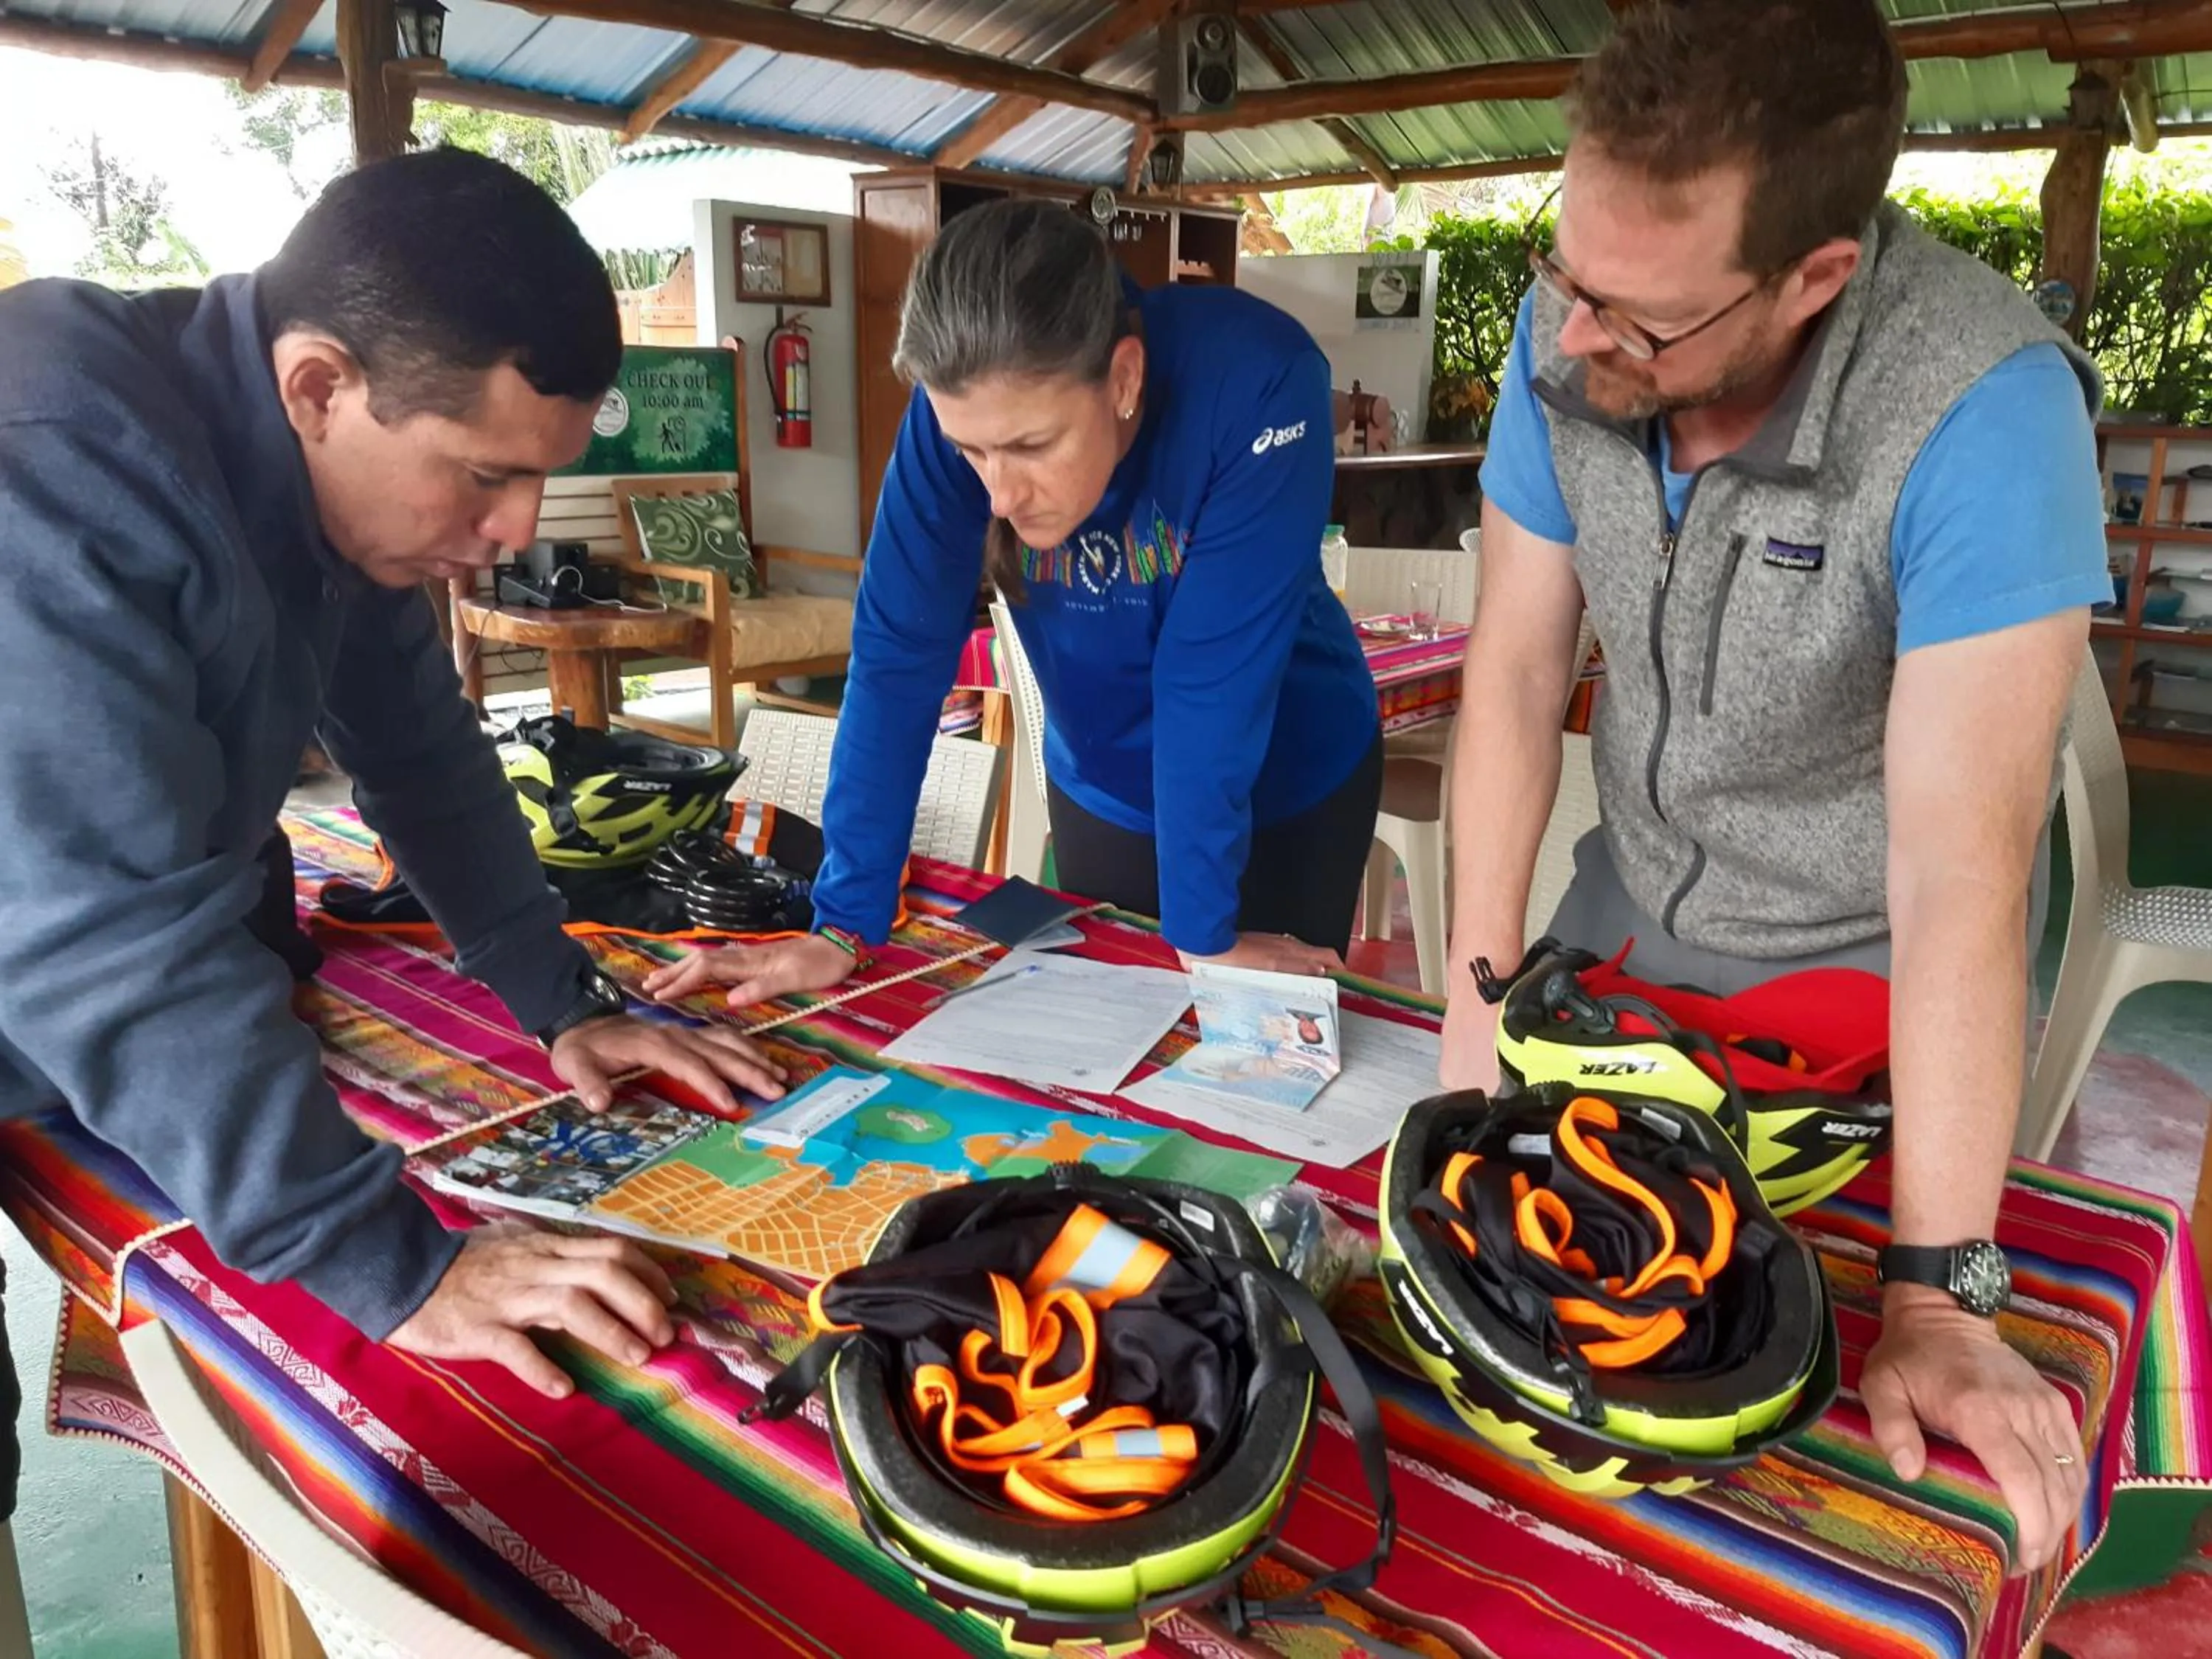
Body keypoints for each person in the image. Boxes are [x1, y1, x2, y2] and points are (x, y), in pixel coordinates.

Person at [0, 146, 792, 1512]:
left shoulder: (320, 486)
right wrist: (387, 1260)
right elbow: (106, 930)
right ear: (320, 385)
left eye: (539, 479)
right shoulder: (59, 461)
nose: (516, 529)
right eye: (483, 474)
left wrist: (560, 998)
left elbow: (422, 750)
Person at [1438, 1, 2106, 1569]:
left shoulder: (1981, 409)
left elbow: (1960, 879)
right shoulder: (1581, 327)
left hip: (1861, 992)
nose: (1578, 341)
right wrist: (1474, 995)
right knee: (1512, 1341)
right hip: (1623, 935)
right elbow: (1522, 676)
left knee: (1751, 1407)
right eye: (1567, 278)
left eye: (1641, 319)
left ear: (1816, 277)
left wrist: (1941, 1293)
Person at [646, 198, 1383, 1013]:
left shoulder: (1258, 382)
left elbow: (1207, 682)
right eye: (972, 451)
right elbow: (897, 659)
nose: (998, 493)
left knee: (1262, 1072)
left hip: (1289, 778)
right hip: (1105, 782)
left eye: (1033, 447)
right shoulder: (955, 417)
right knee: (1110, 1057)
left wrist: (1205, 936)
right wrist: (842, 925)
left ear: (1126, 379)